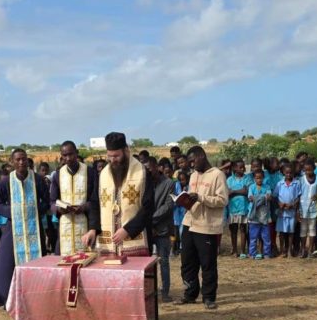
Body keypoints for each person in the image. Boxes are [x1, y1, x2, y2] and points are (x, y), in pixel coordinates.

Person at [0, 149, 49, 307]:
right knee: (6, 262)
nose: (21, 162)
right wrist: (10, 212)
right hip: (13, 227)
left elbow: (47, 201)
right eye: (18, 160)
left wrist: (36, 210)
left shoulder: (37, 179)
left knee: (38, 261)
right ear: (12, 162)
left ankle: (37, 296)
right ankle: (7, 297)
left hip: (34, 227)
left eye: (24, 159)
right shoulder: (6, 181)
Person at [80, 133, 154, 258]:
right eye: (109, 156)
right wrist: (93, 229)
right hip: (107, 245)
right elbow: (95, 203)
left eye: (116, 156)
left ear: (126, 151)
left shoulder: (142, 172)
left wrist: (128, 230)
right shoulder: (103, 174)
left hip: (134, 242)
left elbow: (149, 206)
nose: (112, 160)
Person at [177, 146, 229, 310]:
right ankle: (190, 294)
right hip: (189, 223)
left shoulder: (217, 175)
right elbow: (193, 197)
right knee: (187, 262)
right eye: (189, 162)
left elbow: (222, 200)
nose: (191, 165)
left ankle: (208, 297)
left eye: (193, 161)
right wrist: (185, 200)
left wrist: (200, 197)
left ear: (201, 156)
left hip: (206, 226)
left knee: (207, 264)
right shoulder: (193, 175)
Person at [50, 141, 99, 257]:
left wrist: (84, 207)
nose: (68, 158)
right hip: (65, 226)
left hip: (86, 224)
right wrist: (59, 209)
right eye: (64, 155)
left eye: (71, 154)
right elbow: (52, 201)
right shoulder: (58, 175)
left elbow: (96, 199)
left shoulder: (90, 172)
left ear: (77, 153)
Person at [147, 157, 175, 301]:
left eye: (149, 169)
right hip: (147, 230)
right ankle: (148, 290)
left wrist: (150, 219)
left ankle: (165, 292)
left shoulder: (169, 183)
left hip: (162, 229)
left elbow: (169, 206)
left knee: (164, 261)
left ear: (156, 167)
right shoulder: (144, 183)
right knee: (146, 263)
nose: (147, 172)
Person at [273, 163, 300, 258]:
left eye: (290, 173)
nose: (288, 175)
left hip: (291, 212)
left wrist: (292, 204)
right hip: (282, 212)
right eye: (287, 173)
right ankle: (282, 250)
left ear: (293, 173)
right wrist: (280, 203)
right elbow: (275, 196)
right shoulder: (280, 184)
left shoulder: (296, 183)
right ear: (283, 173)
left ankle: (289, 250)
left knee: (290, 232)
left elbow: (298, 197)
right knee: (281, 232)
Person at [226, 159, 251, 258]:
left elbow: (247, 192)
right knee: (233, 230)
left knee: (243, 229)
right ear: (234, 168)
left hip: (244, 208)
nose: (243, 169)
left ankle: (242, 250)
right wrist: (240, 191)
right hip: (232, 208)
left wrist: (234, 192)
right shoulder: (229, 180)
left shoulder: (247, 178)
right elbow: (227, 193)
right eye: (240, 167)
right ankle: (235, 249)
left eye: (243, 167)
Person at [247, 169, 272, 260]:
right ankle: (252, 253)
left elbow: (269, 197)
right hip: (254, 215)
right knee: (253, 236)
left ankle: (266, 253)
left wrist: (257, 198)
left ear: (263, 178)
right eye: (257, 178)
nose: (259, 180)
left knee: (266, 236)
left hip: (264, 215)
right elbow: (250, 198)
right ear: (254, 178)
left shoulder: (267, 187)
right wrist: (262, 197)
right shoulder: (251, 187)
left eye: (261, 178)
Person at [298, 161, 317, 258]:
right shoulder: (301, 180)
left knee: (312, 229)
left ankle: (310, 249)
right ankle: (303, 249)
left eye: (310, 169)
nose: (308, 172)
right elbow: (298, 195)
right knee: (303, 229)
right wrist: (297, 210)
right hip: (303, 208)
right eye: (306, 170)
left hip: (313, 208)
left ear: (314, 169)